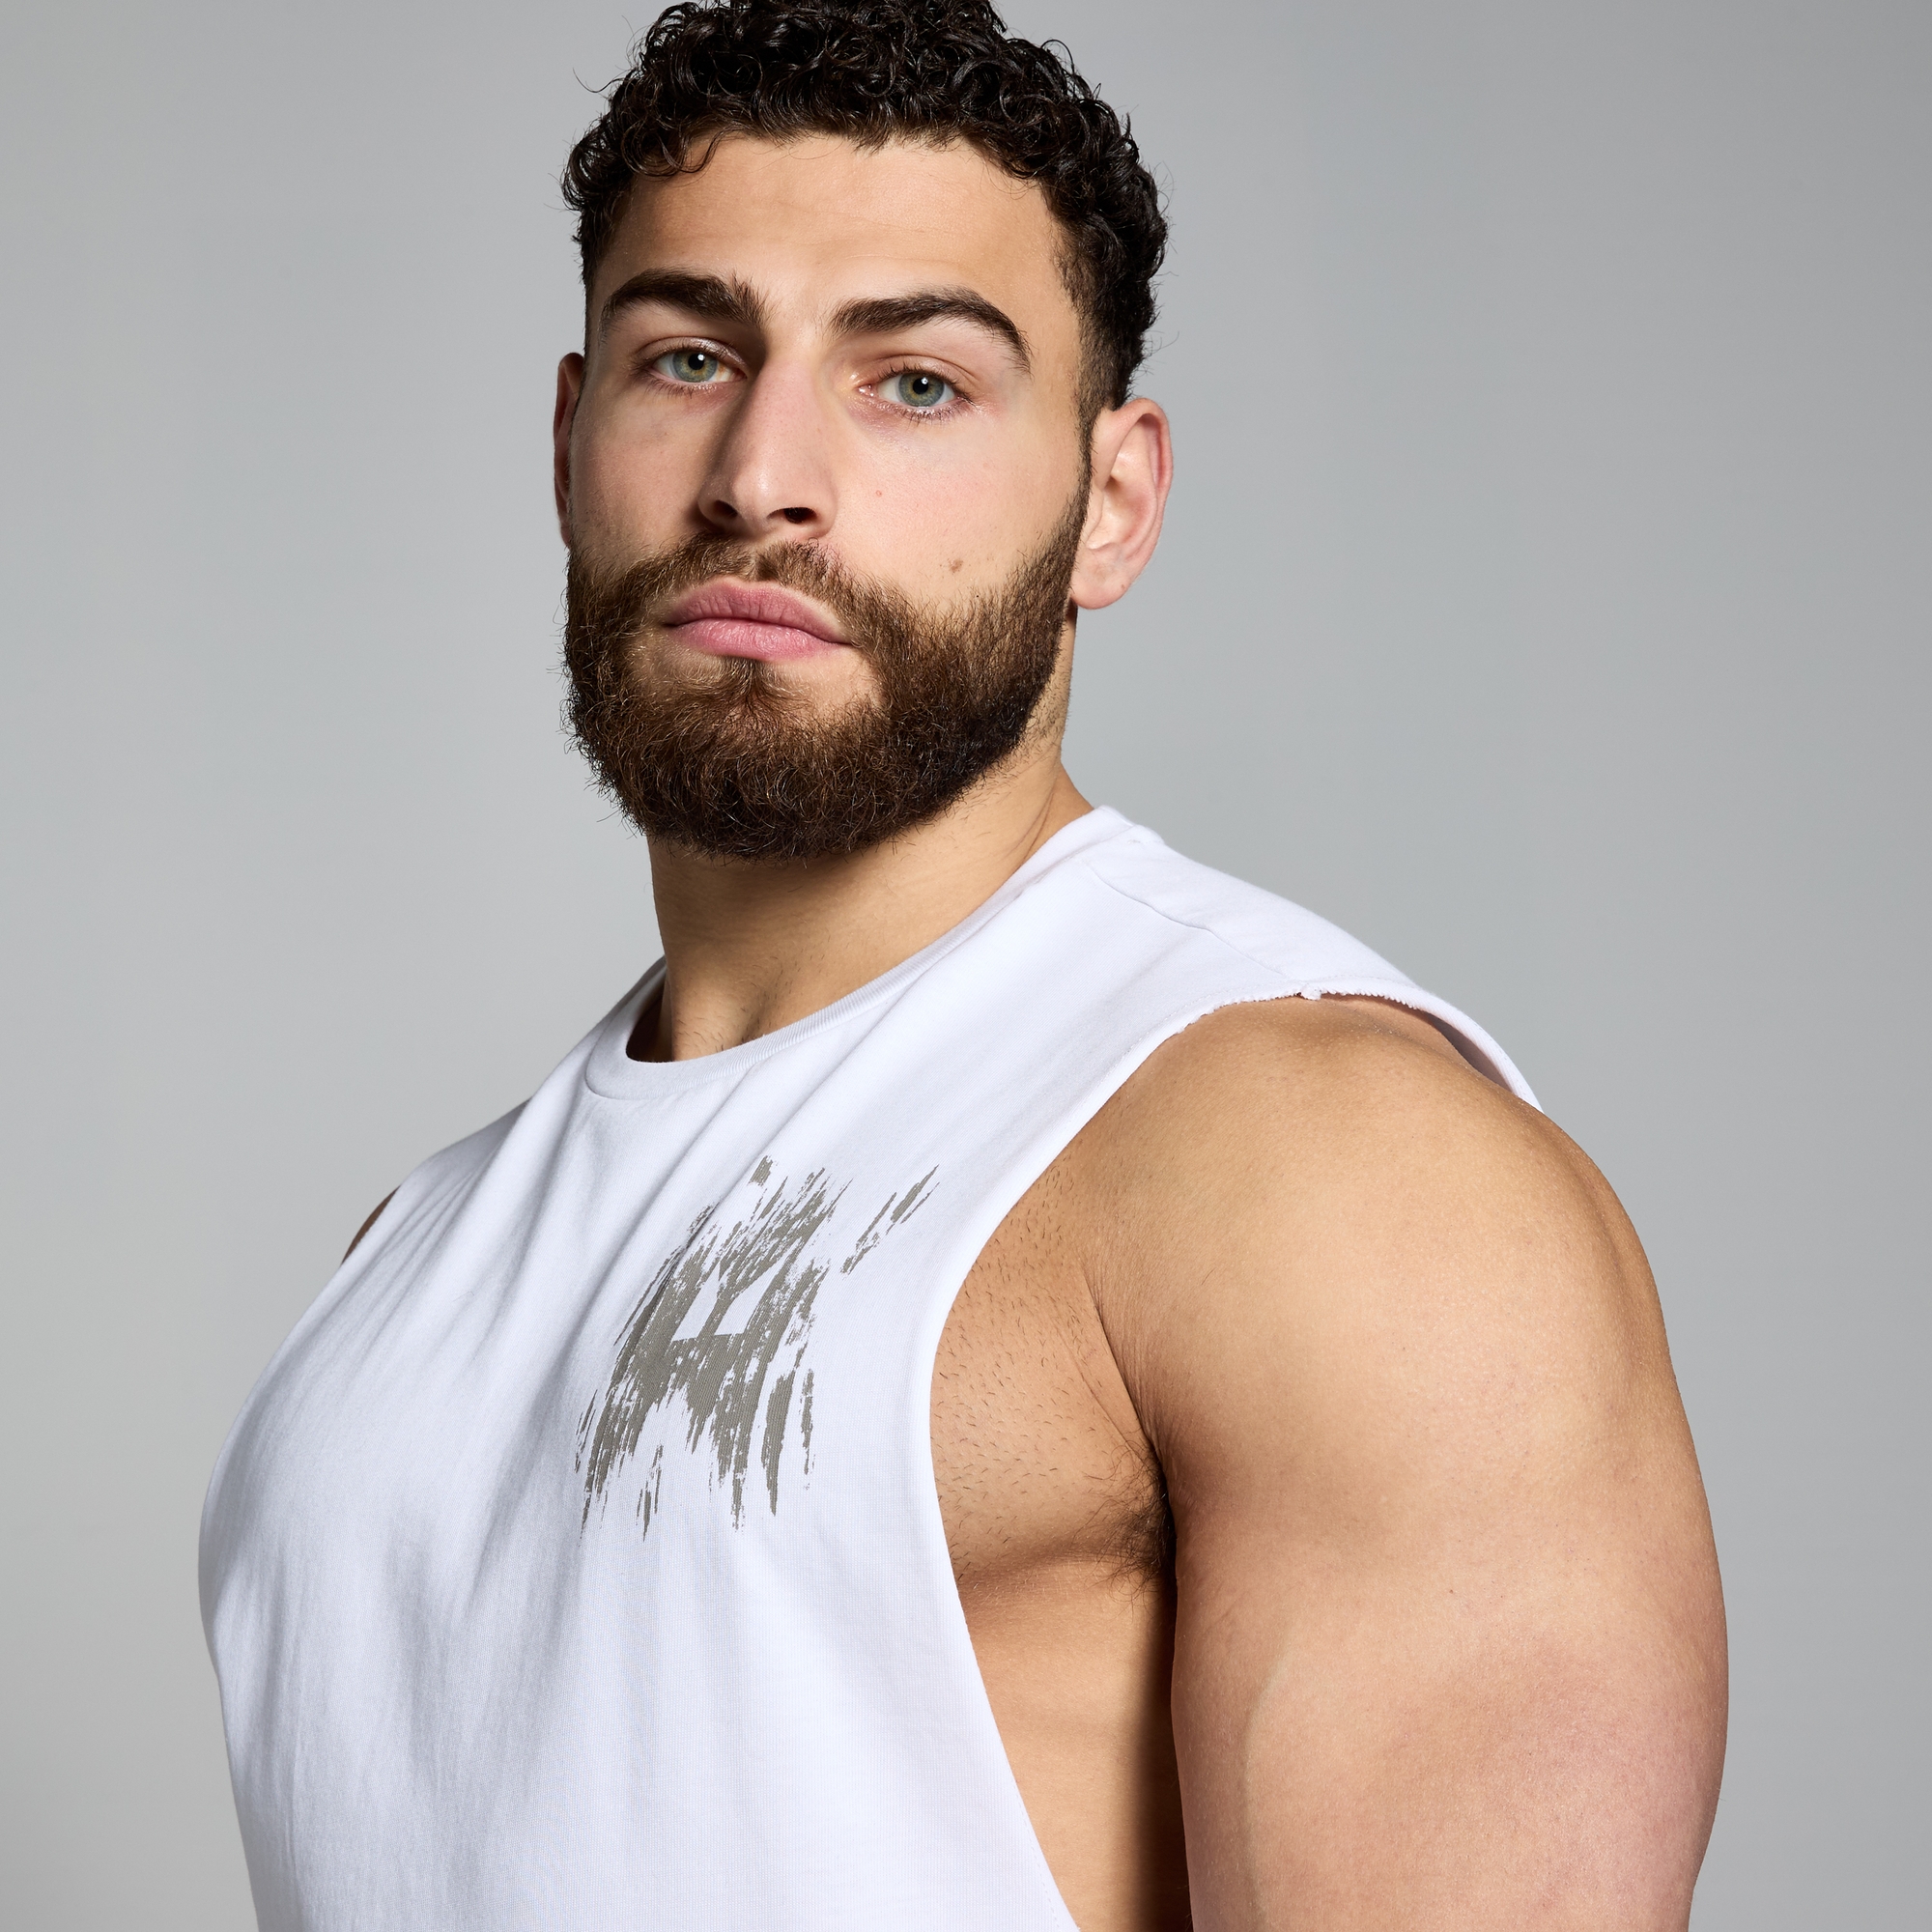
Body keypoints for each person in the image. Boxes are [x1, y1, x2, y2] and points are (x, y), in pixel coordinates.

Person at [199, 4, 1727, 1926]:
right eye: (690, 357)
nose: (762, 475)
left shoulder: (1336, 1177)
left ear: (1112, 501)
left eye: (914, 382)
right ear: (572, 438)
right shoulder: (408, 1261)